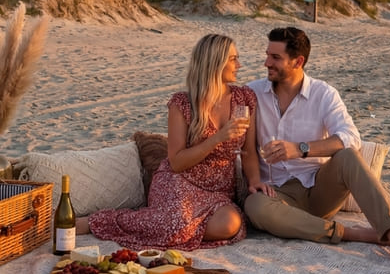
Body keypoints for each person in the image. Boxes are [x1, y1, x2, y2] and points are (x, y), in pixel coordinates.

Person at [242, 27, 390, 273]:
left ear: (298, 61)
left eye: (275, 58)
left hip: (319, 189)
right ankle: (354, 234)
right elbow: (246, 147)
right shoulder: (252, 93)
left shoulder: (323, 94)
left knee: (347, 155)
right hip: (277, 195)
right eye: (267, 54)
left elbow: (350, 137)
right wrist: (255, 180)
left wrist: (300, 149)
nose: (266, 62)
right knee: (254, 207)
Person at [87, 34, 260, 250]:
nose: (239, 65)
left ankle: (167, 225)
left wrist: (254, 181)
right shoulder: (183, 103)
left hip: (219, 191)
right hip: (179, 182)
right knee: (175, 224)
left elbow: (250, 151)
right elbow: (177, 162)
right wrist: (218, 138)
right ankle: (97, 221)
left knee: (230, 224)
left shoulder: (244, 99)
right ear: (215, 62)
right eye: (233, 59)